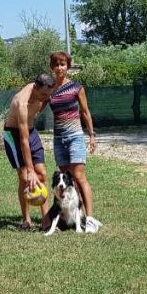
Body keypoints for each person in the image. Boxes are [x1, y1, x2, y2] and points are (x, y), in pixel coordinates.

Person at [47, 51, 101, 233]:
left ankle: (90, 219)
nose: (59, 68)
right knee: (66, 180)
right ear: (52, 68)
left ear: (68, 66)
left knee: (79, 177)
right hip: (58, 140)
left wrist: (91, 135)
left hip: (75, 137)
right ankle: (71, 217)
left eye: (62, 64)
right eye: (56, 64)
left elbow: (85, 112)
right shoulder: (50, 90)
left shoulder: (77, 87)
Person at [3, 74, 56, 231]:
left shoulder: (44, 91)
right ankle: (26, 220)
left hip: (31, 131)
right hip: (14, 134)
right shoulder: (22, 104)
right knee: (26, 177)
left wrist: (41, 106)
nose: (46, 97)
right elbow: (23, 140)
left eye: (48, 94)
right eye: (43, 95)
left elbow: (47, 98)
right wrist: (30, 170)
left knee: (43, 175)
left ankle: (46, 221)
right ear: (35, 88)